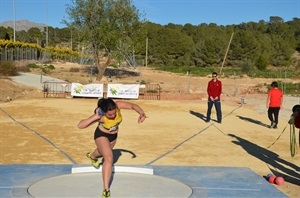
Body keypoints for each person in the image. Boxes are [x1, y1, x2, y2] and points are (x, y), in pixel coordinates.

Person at [77, 98, 147, 198]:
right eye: (110, 115)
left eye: (114, 113)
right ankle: (106, 190)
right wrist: (95, 116)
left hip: (113, 136)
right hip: (101, 135)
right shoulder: (100, 116)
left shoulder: (117, 105)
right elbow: (80, 125)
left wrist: (141, 113)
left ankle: (92, 156)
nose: (113, 116)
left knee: (101, 152)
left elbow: (133, 106)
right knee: (109, 158)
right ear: (103, 112)